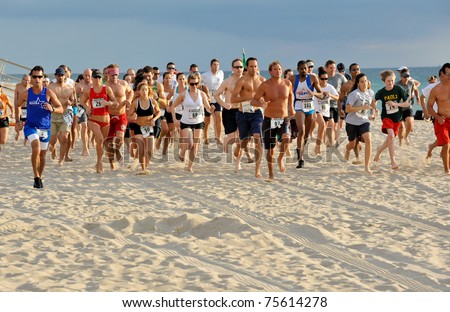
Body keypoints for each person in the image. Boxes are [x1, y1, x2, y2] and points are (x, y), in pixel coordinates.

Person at [14, 65, 64, 188]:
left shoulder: (48, 92)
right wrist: (18, 120)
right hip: (31, 126)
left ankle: (40, 177)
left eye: (39, 77)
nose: (37, 79)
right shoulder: (26, 94)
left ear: (43, 78)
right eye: (35, 76)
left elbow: (61, 108)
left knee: (42, 155)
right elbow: (17, 105)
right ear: (31, 78)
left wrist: (52, 108)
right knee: (35, 148)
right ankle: (35, 176)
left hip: (45, 128)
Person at [251, 61, 294, 180]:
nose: (278, 71)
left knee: (287, 138)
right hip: (269, 120)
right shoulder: (265, 85)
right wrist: (261, 103)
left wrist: (291, 108)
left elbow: (290, 95)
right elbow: (253, 101)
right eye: (275, 69)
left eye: (279, 69)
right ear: (270, 72)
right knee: (270, 150)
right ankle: (271, 174)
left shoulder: (287, 83)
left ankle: (280, 159)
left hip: (283, 118)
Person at [170, 74, 213, 172]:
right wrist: (175, 120)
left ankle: (189, 166)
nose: (194, 86)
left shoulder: (202, 94)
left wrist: (212, 109)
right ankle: (182, 153)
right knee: (189, 144)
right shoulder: (184, 94)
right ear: (188, 83)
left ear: (198, 83)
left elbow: (208, 108)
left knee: (196, 144)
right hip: (186, 121)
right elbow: (173, 106)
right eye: (192, 84)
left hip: (198, 121)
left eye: (196, 83)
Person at [230, 57, 266, 177]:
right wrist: (247, 99)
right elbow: (233, 98)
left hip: (257, 113)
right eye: (251, 66)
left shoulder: (262, 80)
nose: (254, 68)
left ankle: (257, 170)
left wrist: (264, 102)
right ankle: (240, 145)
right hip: (243, 113)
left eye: (255, 66)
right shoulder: (241, 81)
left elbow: (266, 97)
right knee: (244, 141)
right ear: (247, 67)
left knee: (257, 137)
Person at [79, 69, 118, 173]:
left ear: (102, 78)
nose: (97, 79)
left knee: (104, 142)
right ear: (92, 78)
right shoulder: (89, 91)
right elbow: (81, 101)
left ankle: (102, 162)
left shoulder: (107, 89)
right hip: (93, 119)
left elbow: (115, 102)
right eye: (95, 77)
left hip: (106, 120)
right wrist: (86, 107)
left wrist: (108, 103)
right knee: (100, 139)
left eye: (99, 77)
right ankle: (100, 163)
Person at [288, 60, 322, 168]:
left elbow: (321, 94)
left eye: (305, 68)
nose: (304, 70)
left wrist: (313, 93)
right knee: (301, 131)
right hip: (298, 105)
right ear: (298, 69)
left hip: (310, 106)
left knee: (306, 135)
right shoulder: (293, 79)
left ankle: (299, 150)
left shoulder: (312, 78)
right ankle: (301, 159)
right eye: (301, 68)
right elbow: (285, 91)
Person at [373, 70, 409, 170]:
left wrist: (395, 104)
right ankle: (393, 161)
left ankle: (379, 150)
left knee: (390, 138)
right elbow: (374, 101)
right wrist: (375, 110)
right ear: (384, 81)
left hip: (397, 118)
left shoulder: (399, 89)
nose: (391, 83)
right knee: (391, 135)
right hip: (386, 117)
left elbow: (407, 104)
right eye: (388, 81)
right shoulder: (381, 92)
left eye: (392, 80)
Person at [344, 73, 378, 173]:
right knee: (352, 144)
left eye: (366, 81)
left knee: (368, 140)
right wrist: (362, 107)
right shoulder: (354, 94)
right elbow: (348, 109)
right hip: (351, 122)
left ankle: (367, 167)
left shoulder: (370, 92)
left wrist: (374, 112)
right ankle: (347, 151)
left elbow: (372, 104)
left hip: (363, 121)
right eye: (362, 82)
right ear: (358, 83)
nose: (364, 83)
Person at [127, 81, 161, 174]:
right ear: (139, 91)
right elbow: (128, 116)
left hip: (149, 127)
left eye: (146, 89)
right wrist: (132, 117)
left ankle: (145, 166)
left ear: (148, 90)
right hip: (139, 127)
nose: (144, 91)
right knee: (141, 149)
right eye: (142, 90)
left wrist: (155, 119)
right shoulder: (135, 102)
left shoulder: (152, 101)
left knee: (150, 151)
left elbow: (159, 112)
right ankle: (143, 169)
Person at [105, 64, 134, 169]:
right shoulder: (105, 87)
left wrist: (129, 100)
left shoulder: (123, 84)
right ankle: (112, 164)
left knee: (120, 138)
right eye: (112, 74)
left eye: (116, 74)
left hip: (121, 115)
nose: (114, 77)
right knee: (108, 142)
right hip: (108, 116)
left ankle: (117, 151)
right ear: (108, 74)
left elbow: (131, 92)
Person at [213, 58, 245, 154]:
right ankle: (225, 152)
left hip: (242, 110)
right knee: (232, 137)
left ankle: (237, 155)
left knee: (241, 136)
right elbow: (216, 94)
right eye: (236, 67)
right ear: (232, 68)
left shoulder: (246, 81)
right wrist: (223, 104)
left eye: (240, 67)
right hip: (229, 111)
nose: (239, 69)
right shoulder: (227, 81)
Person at [48, 67, 76, 165]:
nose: (60, 77)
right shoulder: (50, 87)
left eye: (62, 75)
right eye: (58, 75)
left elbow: (74, 101)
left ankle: (61, 160)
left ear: (65, 76)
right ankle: (52, 146)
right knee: (52, 139)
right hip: (53, 114)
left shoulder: (70, 88)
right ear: (55, 76)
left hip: (66, 114)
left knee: (64, 138)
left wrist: (71, 102)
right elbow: (46, 100)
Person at [427, 63, 450, 173]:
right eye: (448, 74)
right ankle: (446, 169)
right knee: (446, 144)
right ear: (442, 75)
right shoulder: (436, 90)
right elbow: (429, 106)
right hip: (442, 120)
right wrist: (436, 116)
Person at [314, 67, 339, 155]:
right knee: (322, 125)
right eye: (322, 79)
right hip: (316, 110)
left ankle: (318, 144)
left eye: (326, 79)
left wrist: (331, 95)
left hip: (326, 111)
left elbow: (338, 97)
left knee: (322, 128)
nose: (324, 81)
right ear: (319, 78)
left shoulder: (330, 87)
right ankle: (318, 147)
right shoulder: (315, 87)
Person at [324, 60, 348, 147]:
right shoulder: (324, 77)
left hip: (337, 103)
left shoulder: (340, 77)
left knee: (335, 125)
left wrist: (344, 94)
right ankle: (331, 142)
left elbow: (347, 85)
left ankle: (332, 140)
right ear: (326, 68)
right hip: (326, 104)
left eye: (334, 67)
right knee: (330, 123)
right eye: (330, 68)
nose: (333, 69)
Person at [202, 58, 224, 145]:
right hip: (208, 99)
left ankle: (218, 137)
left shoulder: (221, 73)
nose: (216, 66)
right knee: (207, 120)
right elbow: (200, 84)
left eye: (217, 65)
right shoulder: (205, 75)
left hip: (218, 98)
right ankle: (205, 137)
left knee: (219, 117)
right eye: (214, 64)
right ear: (211, 66)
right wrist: (205, 94)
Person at [395, 68, 419, 146]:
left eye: (407, 76)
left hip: (408, 107)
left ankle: (406, 137)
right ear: (401, 76)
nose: (406, 78)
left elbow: (416, 90)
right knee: (401, 127)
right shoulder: (397, 84)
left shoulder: (411, 83)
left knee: (410, 122)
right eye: (404, 76)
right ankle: (400, 141)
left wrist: (417, 97)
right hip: (399, 108)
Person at [74, 69, 92, 156]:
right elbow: (74, 98)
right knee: (84, 126)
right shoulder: (79, 86)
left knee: (89, 129)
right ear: (83, 75)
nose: (87, 77)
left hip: (91, 107)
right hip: (80, 107)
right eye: (86, 75)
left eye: (89, 75)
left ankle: (87, 145)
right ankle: (84, 147)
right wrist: (78, 93)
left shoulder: (93, 85)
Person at [14, 74, 31, 141]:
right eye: (25, 80)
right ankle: (18, 132)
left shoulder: (31, 87)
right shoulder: (18, 86)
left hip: (26, 108)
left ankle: (25, 136)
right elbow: (16, 98)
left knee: (25, 122)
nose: (27, 82)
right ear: (22, 80)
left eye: (28, 80)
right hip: (19, 106)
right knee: (18, 124)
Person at [0, 84, 14, 151]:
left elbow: (11, 106)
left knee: (3, 141)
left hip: (4, 119)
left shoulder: (5, 97)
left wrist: (12, 113)